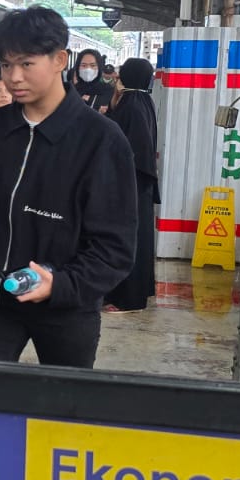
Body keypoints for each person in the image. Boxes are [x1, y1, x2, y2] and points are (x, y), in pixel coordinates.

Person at [0, 6, 136, 369]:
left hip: (67, 306)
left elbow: (115, 247)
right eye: (6, 65)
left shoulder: (101, 140)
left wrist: (61, 284)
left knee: (61, 399)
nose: (14, 77)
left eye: (26, 64)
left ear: (60, 60)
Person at [105, 58, 160, 312]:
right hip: (140, 184)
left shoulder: (131, 105)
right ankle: (133, 292)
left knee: (127, 239)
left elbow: (125, 147)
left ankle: (126, 297)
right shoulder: (143, 101)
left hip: (130, 185)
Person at [70, 48, 110, 112]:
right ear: (77, 67)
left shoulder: (107, 89)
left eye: (93, 65)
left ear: (99, 67)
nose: (88, 69)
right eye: (83, 65)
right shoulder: (70, 90)